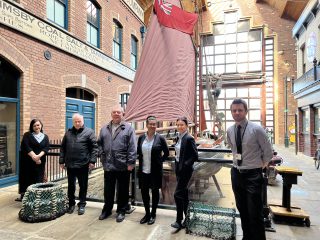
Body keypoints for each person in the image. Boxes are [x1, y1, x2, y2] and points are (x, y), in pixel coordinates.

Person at [226, 99, 273, 240]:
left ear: (246, 111)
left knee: (255, 212)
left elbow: (268, 151)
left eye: (240, 110)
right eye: (234, 110)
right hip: (236, 173)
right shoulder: (230, 130)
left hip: (253, 174)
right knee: (243, 210)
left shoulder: (256, 129)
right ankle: (246, 237)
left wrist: (260, 166)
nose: (237, 113)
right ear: (231, 112)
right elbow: (232, 148)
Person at [98, 105, 136, 223]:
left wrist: (131, 162)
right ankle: (107, 209)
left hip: (122, 165)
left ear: (122, 114)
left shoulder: (128, 128)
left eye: (118, 112)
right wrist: (101, 154)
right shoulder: (104, 128)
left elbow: (132, 147)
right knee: (108, 189)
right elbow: (99, 144)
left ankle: (121, 210)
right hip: (108, 165)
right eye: (114, 112)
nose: (116, 114)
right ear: (111, 114)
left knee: (123, 190)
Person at [59, 113, 98, 215]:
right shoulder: (68, 133)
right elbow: (63, 148)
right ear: (73, 122)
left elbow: (94, 148)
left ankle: (82, 204)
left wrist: (92, 161)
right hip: (70, 165)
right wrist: (61, 161)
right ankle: (71, 204)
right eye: (75, 121)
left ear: (82, 121)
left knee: (83, 186)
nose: (77, 123)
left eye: (79, 121)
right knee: (71, 186)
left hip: (83, 164)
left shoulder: (89, 132)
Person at [137, 116, 169, 225]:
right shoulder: (141, 138)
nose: (152, 126)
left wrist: (159, 161)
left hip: (155, 171)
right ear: (146, 125)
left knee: (155, 192)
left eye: (154, 124)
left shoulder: (160, 138)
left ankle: (153, 214)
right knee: (144, 192)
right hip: (143, 171)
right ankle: (147, 213)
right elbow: (138, 152)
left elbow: (167, 153)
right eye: (150, 124)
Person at [171, 116, 198, 230]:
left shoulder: (188, 138)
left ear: (186, 126)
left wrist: (186, 165)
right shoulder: (179, 137)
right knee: (184, 194)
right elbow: (179, 151)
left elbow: (195, 155)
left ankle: (178, 220)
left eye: (182, 125)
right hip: (178, 168)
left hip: (185, 171)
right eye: (178, 125)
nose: (179, 127)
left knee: (177, 194)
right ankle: (187, 218)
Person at [18, 119, 50, 201]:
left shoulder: (45, 137)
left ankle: (37, 196)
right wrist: (34, 157)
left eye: (38, 125)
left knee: (39, 178)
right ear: (32, 127)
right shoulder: (27, 135)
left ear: (41, 125)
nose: (37, 127)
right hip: (28, 162)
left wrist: (38, 156)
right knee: (28, 178)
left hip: (40, 162)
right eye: (34, 125)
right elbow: (26, 147)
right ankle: (27, 196)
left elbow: (46, 148)